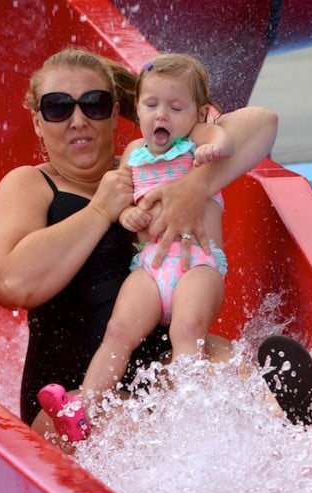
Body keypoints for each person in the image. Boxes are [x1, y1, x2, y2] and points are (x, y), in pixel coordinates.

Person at [0, 47, 312, 443]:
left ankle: (289, 424)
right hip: (74, 394)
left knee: (248, 386)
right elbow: (11, 283)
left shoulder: (154, 165)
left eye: (94, 105)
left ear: (115, 113)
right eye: (58, 108)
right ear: (38, 121)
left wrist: (195, 187)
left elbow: (261, 125)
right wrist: (100, 211)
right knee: (140, 426)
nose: (78, 120)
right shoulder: (31, 184)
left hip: (164, 364)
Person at [39, 54, 235, 440]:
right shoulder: (133, 154)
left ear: (199, 113)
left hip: (196, 264)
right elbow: (124, 200)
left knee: (187, 329)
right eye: (151, 105)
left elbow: (229, 136)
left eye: (176, 107)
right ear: (137, 111)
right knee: (118, 330)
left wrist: (215, 147)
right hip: (149, 268)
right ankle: (85, 406)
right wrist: (128, 215)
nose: (162, 115)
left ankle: (189, 406)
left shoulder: (194, 142)